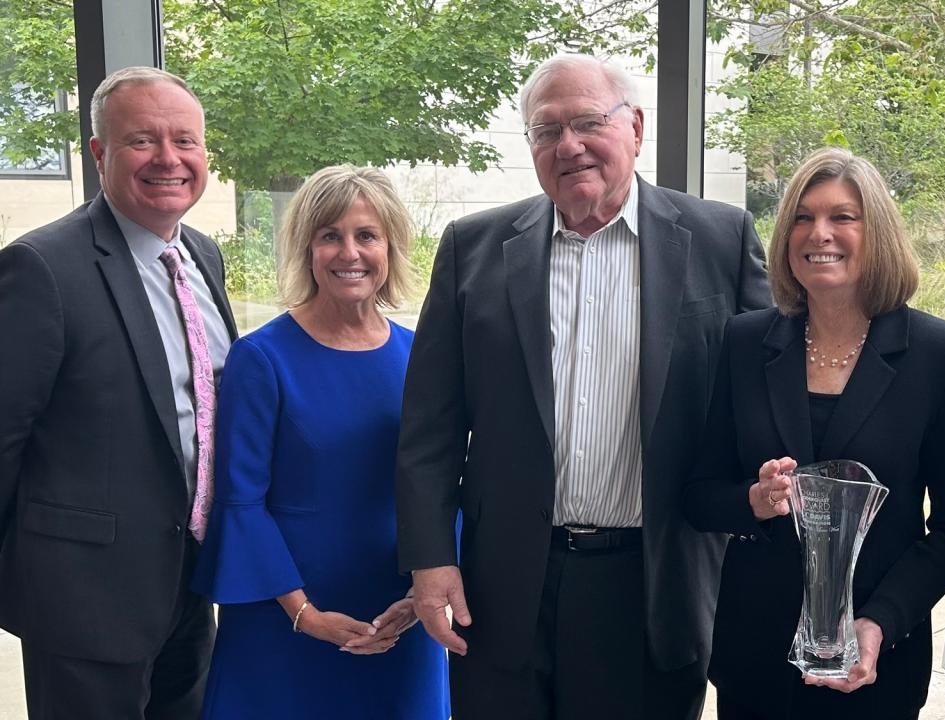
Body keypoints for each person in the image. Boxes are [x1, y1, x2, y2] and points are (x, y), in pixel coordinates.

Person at [395, 53, 770, 720]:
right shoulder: (471, 249)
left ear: (636, 128)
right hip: (505, 586)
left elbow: (764, 399)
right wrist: (429, 560)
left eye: (588, 122)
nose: (568, 145)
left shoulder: (720, 239)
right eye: (546, 130)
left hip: (654, 584)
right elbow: (431, 428)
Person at [682, 147, 945, 720]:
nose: (819, 232)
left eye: (843, 217)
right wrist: (753, 499)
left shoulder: (938, 354)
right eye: (802, 216)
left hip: (875, 661)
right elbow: (700, 494)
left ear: (878, 233)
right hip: (756, 660)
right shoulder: (746, 343)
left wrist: (882, 621)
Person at [0, 67, 236, 718]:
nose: (169, 158)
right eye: (142, 141)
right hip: (82, 606)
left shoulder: (203, 258)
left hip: (189, 588)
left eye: (185, 141)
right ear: (99, 153)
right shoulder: (41, 269)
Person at [190, 165, 449, 719]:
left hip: (398, 615)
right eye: (330, 235)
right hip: (285, 619)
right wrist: (306, 615)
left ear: (391, 247)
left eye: (366, 235)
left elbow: (446, 484)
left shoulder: (421, 355)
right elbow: (241, 502)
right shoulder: (261, 358)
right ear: (307, 248)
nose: (348, 252)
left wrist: (415, 599)